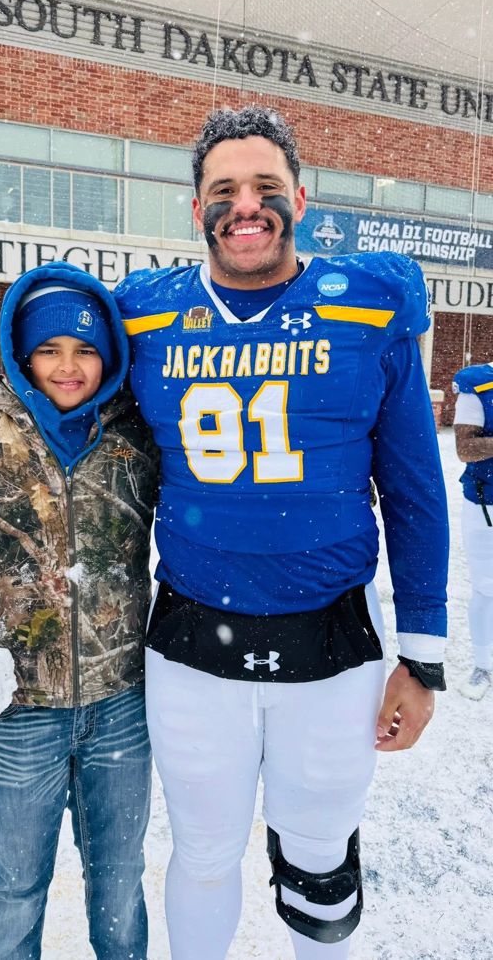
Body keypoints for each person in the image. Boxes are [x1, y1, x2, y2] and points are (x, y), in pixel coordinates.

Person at [114, 106, 449, 960]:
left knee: (321, 859)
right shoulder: (143, 316)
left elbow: (413, 489)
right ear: (197, 208)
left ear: (300, 199)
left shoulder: (365, 308)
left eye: (266, 186)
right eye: (223, 189)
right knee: (203, 853)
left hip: (332, 639)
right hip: (192, 639)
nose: (246, 205)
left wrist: (423, 656)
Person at [0, 261, 159, 960]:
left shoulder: (137, 437)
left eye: (85, 349)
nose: (68, 367)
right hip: (17, 713)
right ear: (21, 353)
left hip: (122, 705)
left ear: (109, 354)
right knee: (14, 884)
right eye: (49, 349)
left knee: (120, 880)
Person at [453, 360, 493, 700]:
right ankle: (484, 665)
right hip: (487, 504)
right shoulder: (480, 384)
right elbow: (465, 449)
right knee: (487, 587)